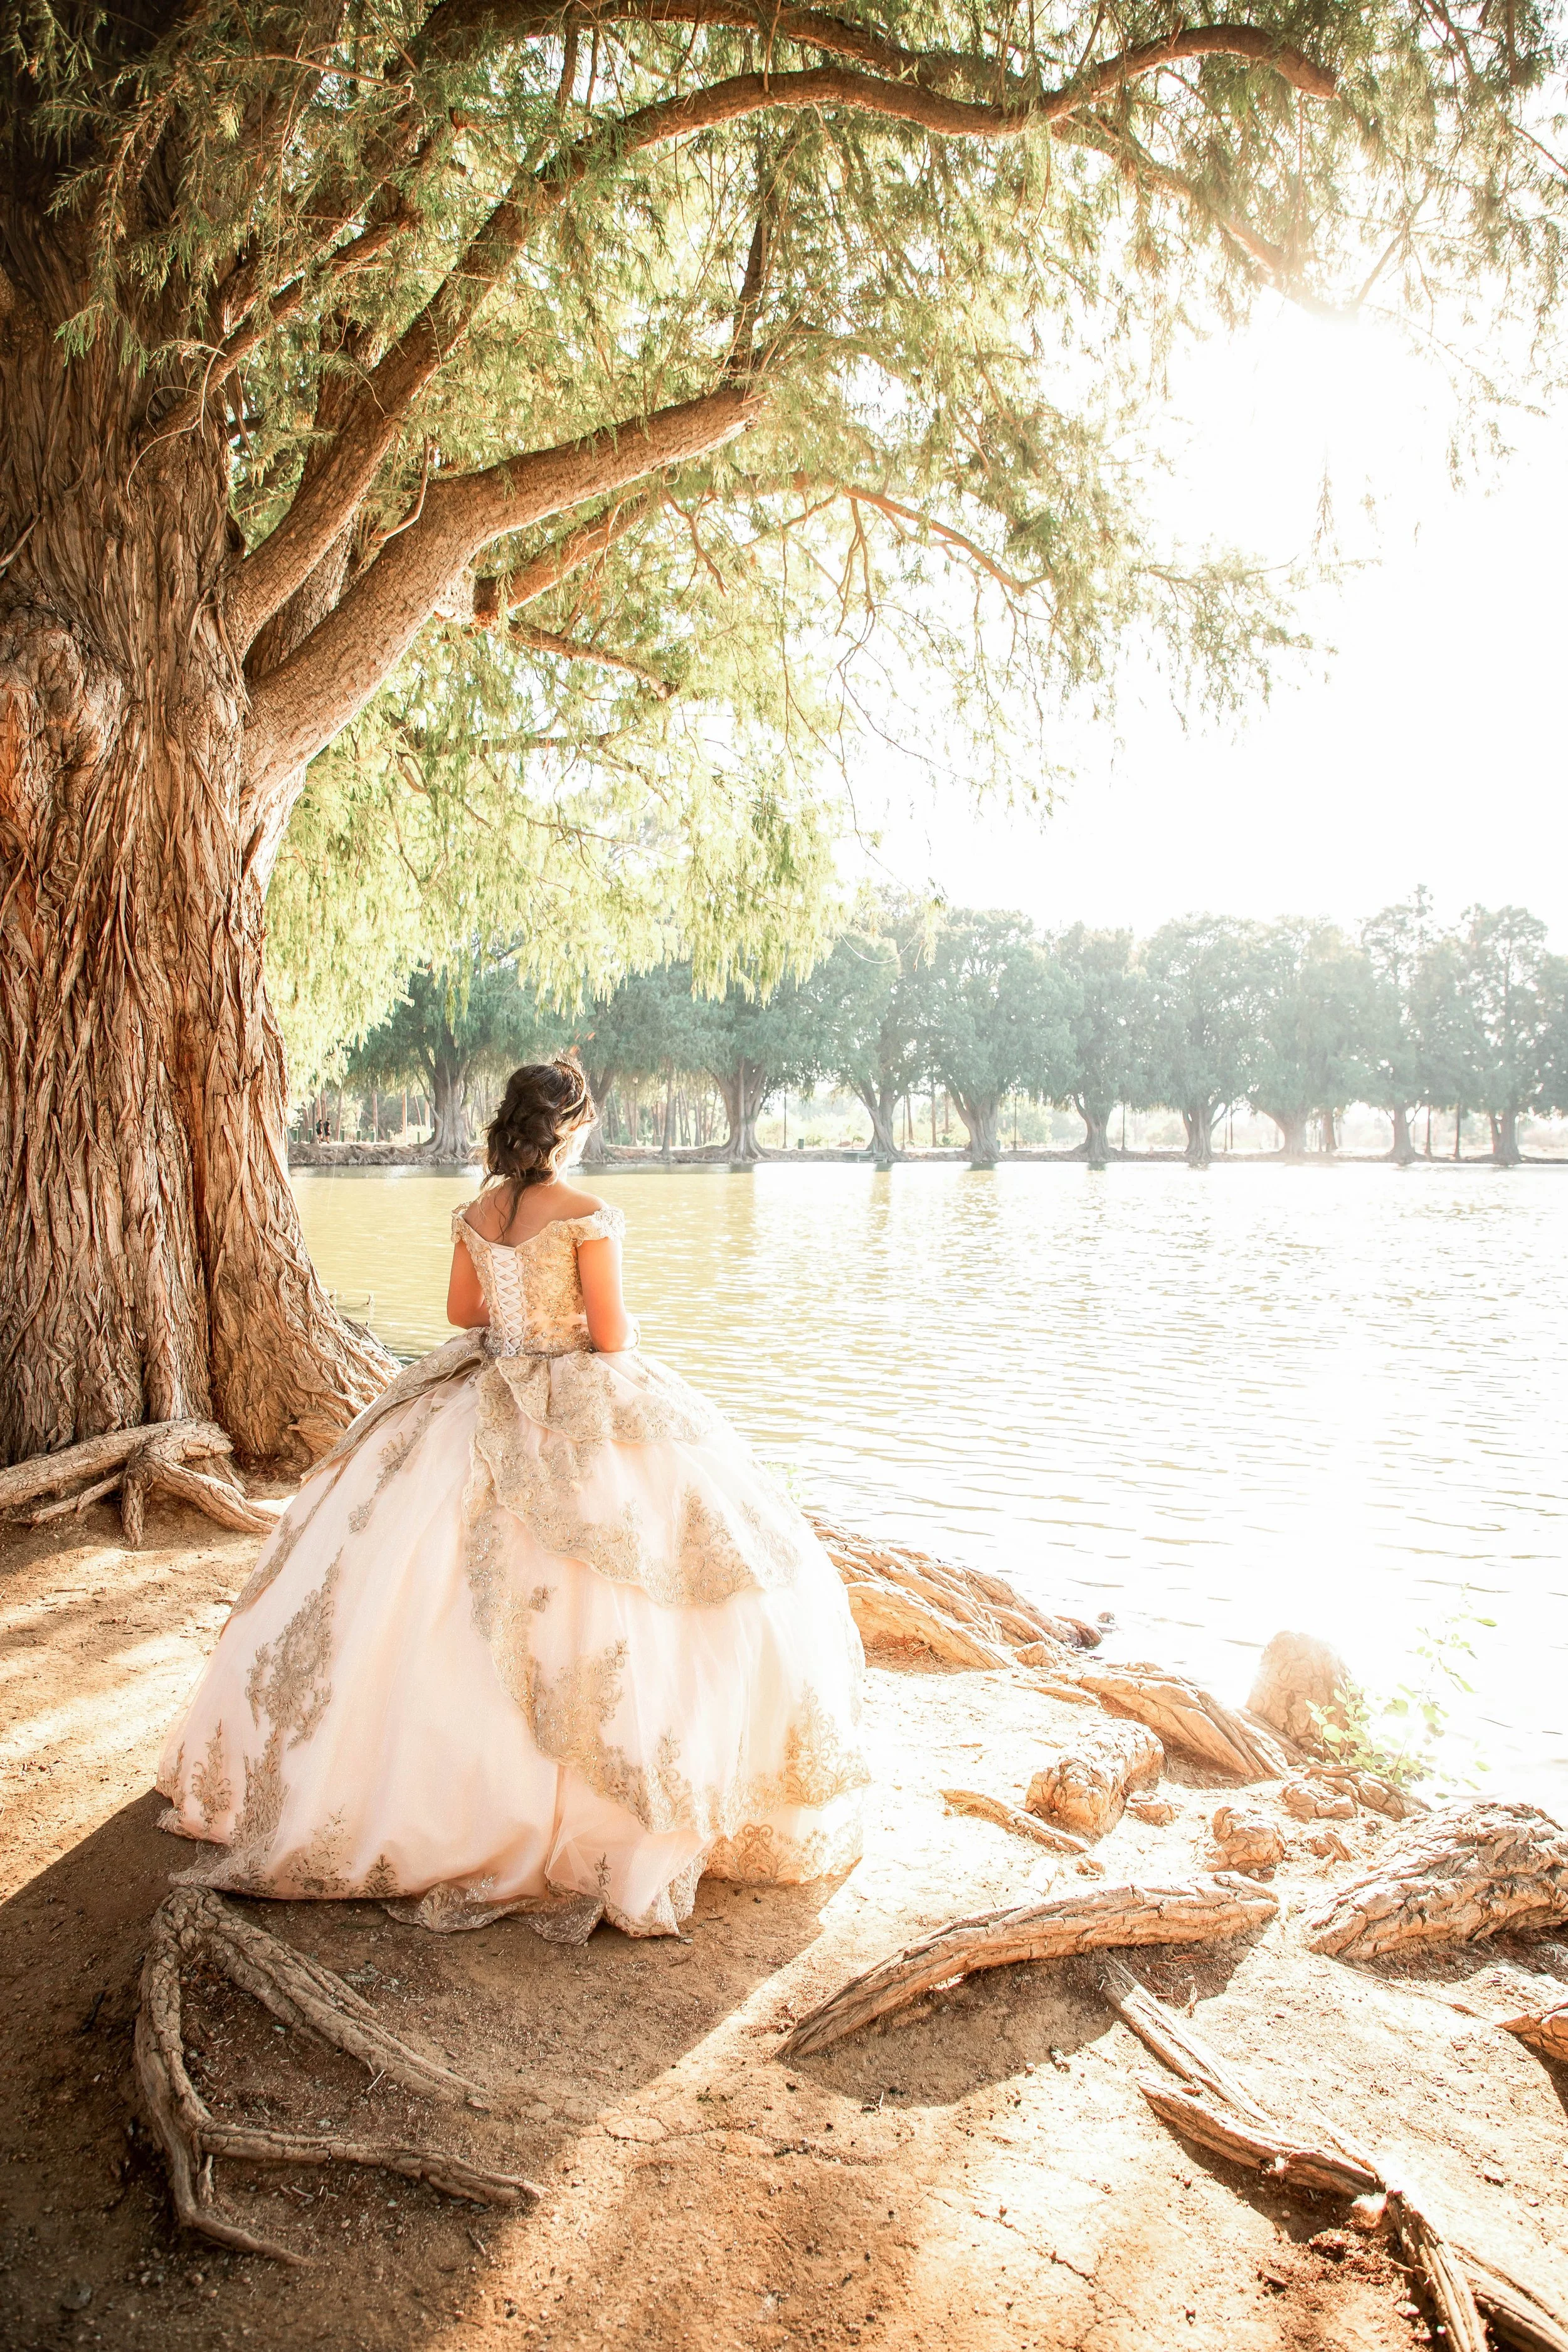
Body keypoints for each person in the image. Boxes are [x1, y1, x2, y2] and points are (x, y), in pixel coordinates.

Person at [158, 1058, 867, 1937]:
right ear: (568, 1128)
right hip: (571, 1387)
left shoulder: (480, 1209)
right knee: (646, 1566)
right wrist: (611, 1325)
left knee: (411, 1562)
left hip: (487, 1383)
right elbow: (609, 1335)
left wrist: (515, 1309)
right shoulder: (586, 1215)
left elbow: (464, 1310)